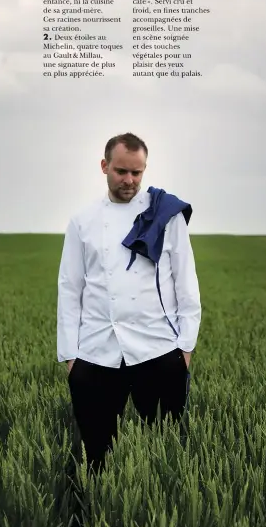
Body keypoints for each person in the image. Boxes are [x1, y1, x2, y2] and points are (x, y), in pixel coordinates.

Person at [57, 132, 201, 473]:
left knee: (168, 453)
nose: (130, 180)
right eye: (121, 171)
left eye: (137, 173)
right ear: (104, 166)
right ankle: (96, 511)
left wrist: (186, 347)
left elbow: (186, 281)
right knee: (96, 453)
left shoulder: (166, 215)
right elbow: (69, 288)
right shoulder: (83, 221)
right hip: (95, 352)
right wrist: (70, 355)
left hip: (159, 349)